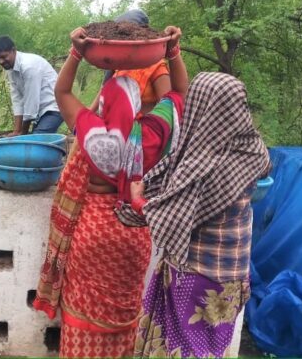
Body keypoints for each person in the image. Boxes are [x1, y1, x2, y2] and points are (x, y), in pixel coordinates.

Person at [33, 25, 189, 357]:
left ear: (105, 100)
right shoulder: (150, 136)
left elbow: (61, 93)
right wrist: (173, 51)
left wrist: (75, 53)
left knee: (81, 320)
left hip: (92, 232)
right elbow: (181, 96)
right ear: (136, 105)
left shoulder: (92, 132)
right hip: (132, 232)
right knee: (122, 324)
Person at [116, 72, 271, 358]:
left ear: (201, 106)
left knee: (182, 350)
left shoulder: (202, 164)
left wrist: (138, 201)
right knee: (211, 348)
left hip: (196, 274)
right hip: (233, 276)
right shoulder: (254, 151)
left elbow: (173, 215)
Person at [89, 10, 172, 116]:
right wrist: (89, 113)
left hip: (144, 129)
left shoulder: (156, 65)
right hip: (116, 129)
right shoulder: (119, 64)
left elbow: (167, 109)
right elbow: (104, 89)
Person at [0, 36, 63, 135]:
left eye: (4, 56)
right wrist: (17, 131)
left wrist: (22, 133)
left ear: (13, 50)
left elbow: (31, 101)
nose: (1, 62)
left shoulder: (28, 66)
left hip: (54, 107)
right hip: (40, 112)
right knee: (34, 141)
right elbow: (17, 100)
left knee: (36, 141)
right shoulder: (10, 69)